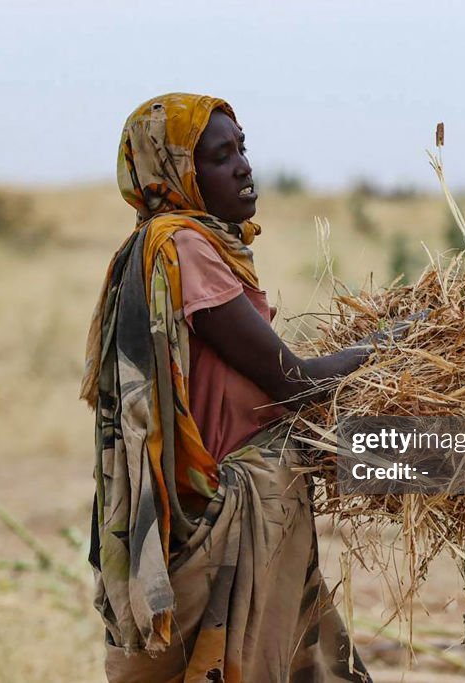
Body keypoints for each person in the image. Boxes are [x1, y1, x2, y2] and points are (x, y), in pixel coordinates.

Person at [81, 93, 405, 682]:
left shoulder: (156, 248)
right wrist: (387, 347)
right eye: (219, 156)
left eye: (242, 148)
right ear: (176, 173)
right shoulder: (184, 246)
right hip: (229, 517)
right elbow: (293, 382)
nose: (243, 166)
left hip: (227, 515)